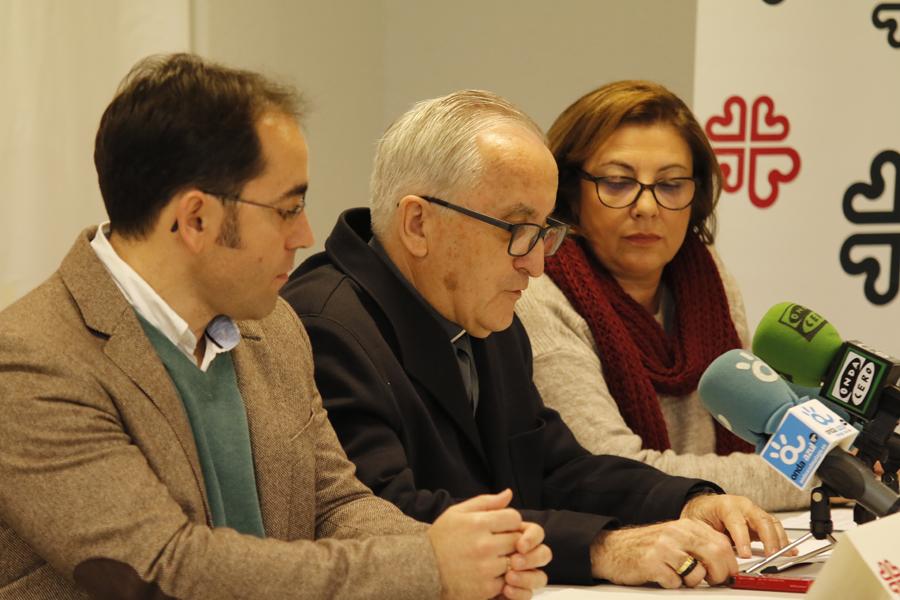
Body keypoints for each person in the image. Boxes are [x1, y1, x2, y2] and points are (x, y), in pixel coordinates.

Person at [0, 54, 552, 600]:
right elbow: (163, 570)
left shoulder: (274, 327)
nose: (305, 234)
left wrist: (477, 561)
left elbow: (337, 504)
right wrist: (428, 566)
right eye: (288, 209)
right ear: (196, 219)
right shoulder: (33, 359)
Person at [281, 89, 791, 590]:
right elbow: (392, 515)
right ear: (419, 224)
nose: (537, 263)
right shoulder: (327, 329)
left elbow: (557, 467)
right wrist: (601, 547)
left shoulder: (480, 310)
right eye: (517, 229)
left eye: (544, 230)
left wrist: (688, 501)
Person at [513, 80, 809, 512]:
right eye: (617, 182)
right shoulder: (538, 290)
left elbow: (762, 432)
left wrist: (837, 452)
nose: (647, 207)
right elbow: (616, 471)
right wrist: (814, 471)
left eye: (670, 185)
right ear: (569, 192)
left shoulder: (707, 277)